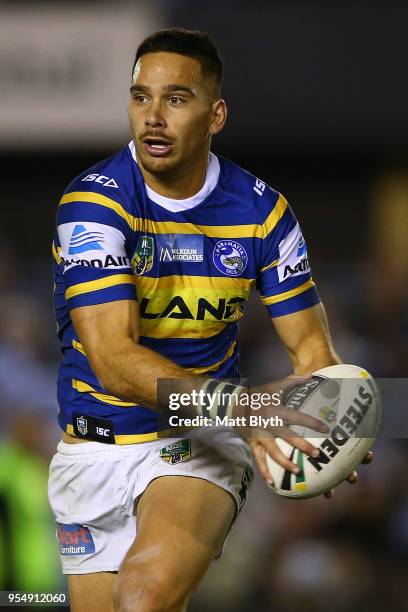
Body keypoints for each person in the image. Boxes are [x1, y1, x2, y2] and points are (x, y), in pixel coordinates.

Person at [48, 28, 371, 612]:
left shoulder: (262, 212)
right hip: (91, 451)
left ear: (215, 114)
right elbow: (115, 364)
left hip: (198, 441)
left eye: (175, 99)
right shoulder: (94, 204)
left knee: (142, 600)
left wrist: (330, 423)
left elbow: (314, 358)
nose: (152, 117)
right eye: (140, 96)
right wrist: (250, 408)